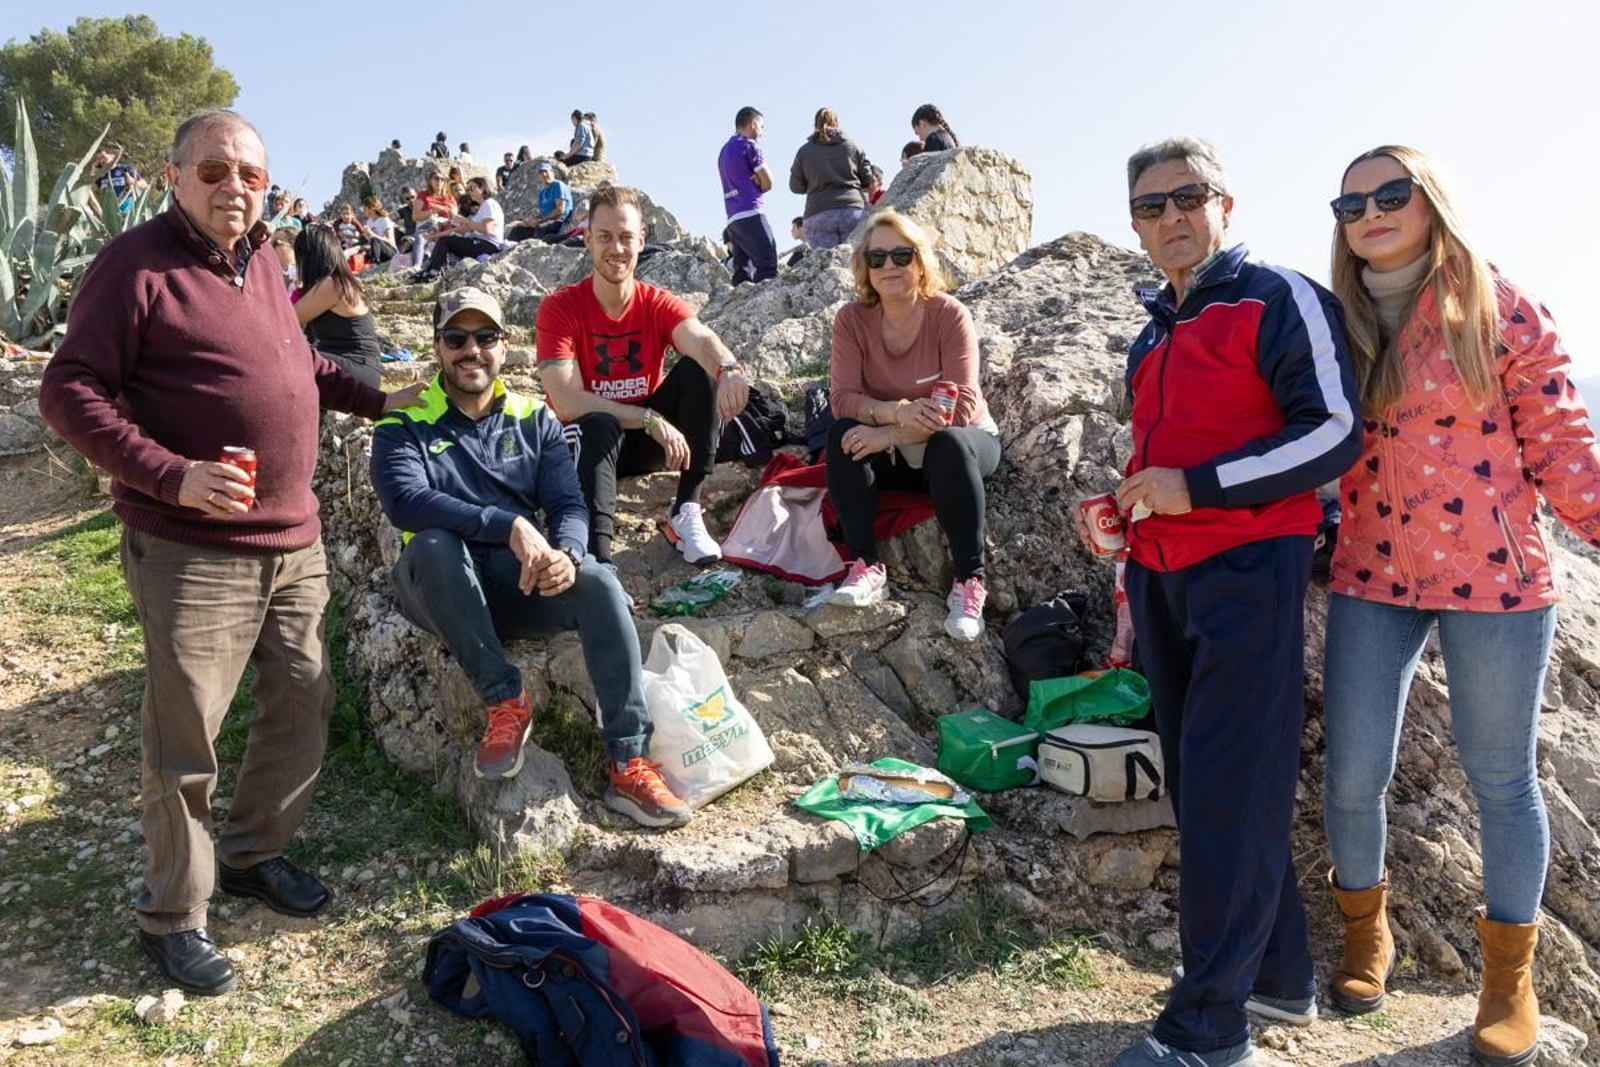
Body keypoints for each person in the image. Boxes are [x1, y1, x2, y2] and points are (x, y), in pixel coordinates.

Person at [37, 107, 425, 998]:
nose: (234, 187)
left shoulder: (264, 261)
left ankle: (252, 852)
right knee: (186, 737)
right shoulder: (134, 266)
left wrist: (384, 401)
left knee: (303, 699)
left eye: (249, 173)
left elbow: (299, 366)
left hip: (293, 541)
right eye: (213, 171)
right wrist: (171, 475)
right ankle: (173, 912)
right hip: (189, 547)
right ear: (174, 177)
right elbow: (68, 390)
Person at [1319, 145, 1600, 1067]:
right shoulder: (1334, 319)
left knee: (1502, 780)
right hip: (1369, 574)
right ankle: (1368, 939)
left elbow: (1561, 436)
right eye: (1352, 202)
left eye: (1390, 193)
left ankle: (1505, 982)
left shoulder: (1497, 305)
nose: (1370, 212)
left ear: (1432, 202)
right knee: (1354, 772)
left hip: (1498, 580)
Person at [1106, 136, 1361, 1067]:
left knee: (1231, 792)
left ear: (1225, 202)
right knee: (1209, 789)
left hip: (1253, 569)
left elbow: (1334, 432)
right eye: (1149, 206)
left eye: (1187, 197)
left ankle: (1210, 1028)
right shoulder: (1150, 332)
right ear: (1134, 225)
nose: (1170, 217)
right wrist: (1126, 509)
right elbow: (1160, 460)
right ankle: (1280, 979)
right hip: (1161, 575)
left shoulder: (1279, 295)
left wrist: (1198, 486)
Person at [370, 286, 693, 826]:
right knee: (434, 541)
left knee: (600, 581)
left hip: (517, 583)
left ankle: (628, 760)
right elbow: (406, 503)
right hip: (437, 585)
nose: (471, 350)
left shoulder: (533, 418)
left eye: (485, 337)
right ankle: (505, 700)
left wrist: (566, 552)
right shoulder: (403, 421)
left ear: (505, 345)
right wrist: (508, 523)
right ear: (436, 346)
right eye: (456, 338)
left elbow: (568, 503)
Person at [535, 185, 751, 567]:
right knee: (598, 423)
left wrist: (729, 368)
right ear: (586, 239)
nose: (616, 249)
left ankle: (686, 509)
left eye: (625, 237)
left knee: (701, 371)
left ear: (642, 241)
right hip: (589, 443)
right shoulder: (561, 307)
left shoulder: (655, 302)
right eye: (604, 237)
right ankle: (599, 560)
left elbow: (700, 339)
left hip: (646, 443)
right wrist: (648, 418)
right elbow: (568, 401)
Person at [823, 210, 1002, 639]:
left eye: (901, 256)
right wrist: (896, 411)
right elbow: (842, 399)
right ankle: (865, 565)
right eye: (877, 257)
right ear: (864, 266)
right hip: (897, 449)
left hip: (961, 446)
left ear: (920, 262)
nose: (888, 267)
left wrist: (885, 433)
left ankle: (968, 582)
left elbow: (960, 408)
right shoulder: (851, 320)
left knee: (950, 445)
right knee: (841, 436)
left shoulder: (948, 314)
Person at [294, 224, 384, 387]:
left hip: (357, 367)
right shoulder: (338, 282)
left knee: (294, 359)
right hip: (354, 364)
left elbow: (288, 319)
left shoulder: (332, 285)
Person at [789, 108, 874, 250]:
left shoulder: (804, 151)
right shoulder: (852, 146)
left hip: (818, 214)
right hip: (852, 211)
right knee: (856, 263)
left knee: (828, 265)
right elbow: (867, 179)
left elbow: (795, 186)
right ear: (837, 123)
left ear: (815, 125)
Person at [718, 106, 778, 285]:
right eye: (761, 127)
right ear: (753, 124)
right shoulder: (749, 146)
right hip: (751, 212)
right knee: (768, 264)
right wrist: (759, 181)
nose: (761, 133)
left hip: (733, 219)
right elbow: (769, 183)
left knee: (741, 272)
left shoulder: (724, 151)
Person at [413, 176, 504, 283]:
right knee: (445, 240)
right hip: (480, 243)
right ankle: (429, 271)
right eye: (468, 189)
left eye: (472, 188)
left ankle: (432, 273)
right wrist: (434, 236)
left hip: (488, 246)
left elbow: (486, 229)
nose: (470, 192)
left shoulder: (489, 203)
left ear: (482, 188)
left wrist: (466, 221)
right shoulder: (483, 207)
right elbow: (459, 230)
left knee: (446, 241)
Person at [507, 162, 572, 244]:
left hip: (560, 222)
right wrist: (530, 221)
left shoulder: (558, 185)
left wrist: (540, 220)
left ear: (552, 173)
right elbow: (543, 213)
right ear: (538, 177)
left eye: (546, 171)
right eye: (541, 173)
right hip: (546, 221)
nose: (544, 174)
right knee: (518, 230)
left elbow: (560, 210)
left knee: (540, 229)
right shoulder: (542, 192)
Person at [410, 169, 456, 268]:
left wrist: (449, 211)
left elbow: (455, 217)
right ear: (430, 181)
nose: (439, 181)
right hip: (427, 225)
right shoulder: (423, 195)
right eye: (436, 178)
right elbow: (415, 216)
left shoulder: (449, 198)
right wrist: (432, 211)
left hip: (444, 226)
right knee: (420, 237)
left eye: (442, 179)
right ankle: (416, 266)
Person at [91, 143, 140, 211]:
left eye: (103, 157)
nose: (101, 161)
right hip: (108, 212)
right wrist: (93, 171)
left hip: (127, 212)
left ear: (112, 156)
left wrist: (133, 182)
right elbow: (93, 191)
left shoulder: (125, 168)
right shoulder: (100, 176)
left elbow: (144, 184)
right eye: (98, 159)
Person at [362, 196, 399, 263]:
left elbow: (390, 242)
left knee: (375, 240)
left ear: (372, 208)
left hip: (391, 252)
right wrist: (367, 236)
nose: (363, 211)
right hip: (378, 252)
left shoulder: (384, 220)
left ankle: (375, 263)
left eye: (365, 209)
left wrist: (372, 235)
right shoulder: (369, 222)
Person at [269, 226, 297, 293]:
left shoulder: (301, 275)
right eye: (269, 244)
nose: (270, 248)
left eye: (276, 243)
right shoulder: (267, 273)